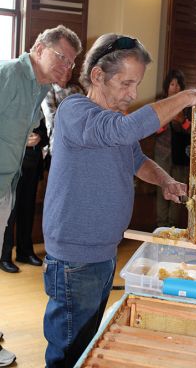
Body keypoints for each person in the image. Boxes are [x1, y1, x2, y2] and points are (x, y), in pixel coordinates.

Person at [42, 33, 196, 367]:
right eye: (126, 83)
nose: (133, 93)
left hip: (103, 250)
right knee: (68, 350)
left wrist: (164, 179)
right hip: (76, 256)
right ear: (97, 76)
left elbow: (135, 159)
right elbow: (122, 133)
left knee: (89, 341)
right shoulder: (75, 110)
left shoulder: (113, 121)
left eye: (138, 84)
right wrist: (186, 97)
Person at [0, 25, 81, 366]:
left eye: (73, 62)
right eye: (63, 57)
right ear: (37, 48)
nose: (68, 67)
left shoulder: (41, 87)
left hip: (7, 185)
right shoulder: (7, 73)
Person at [0, 117, 49, 273]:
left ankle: (25, 252)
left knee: (27, 210)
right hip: (10, 166)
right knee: (9, 213)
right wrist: (22, 140)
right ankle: (4, 257)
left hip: (32, 165)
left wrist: (39, 138)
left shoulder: (36, 109)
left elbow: (45, 134)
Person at [154, 69, 191, 228]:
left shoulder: (188, 106)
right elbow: (153, 130)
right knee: (162, 188)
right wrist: (167, 118)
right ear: (167, 86)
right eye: (172, 84)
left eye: (178, 85)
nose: (175, 88)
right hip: (162, 153)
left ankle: (172, 227)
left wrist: (182, 120)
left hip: (180, 155)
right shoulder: (158, 103)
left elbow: (191, 130)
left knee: (178, 190)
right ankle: (161, 226)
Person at [42, 68, 84, 158]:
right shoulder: (48, 89)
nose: (67, 72)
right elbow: (52, 118)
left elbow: (85, 114)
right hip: (57, 141)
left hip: (79, 141)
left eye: (70, 70)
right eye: (63, 70)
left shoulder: (77, 89)